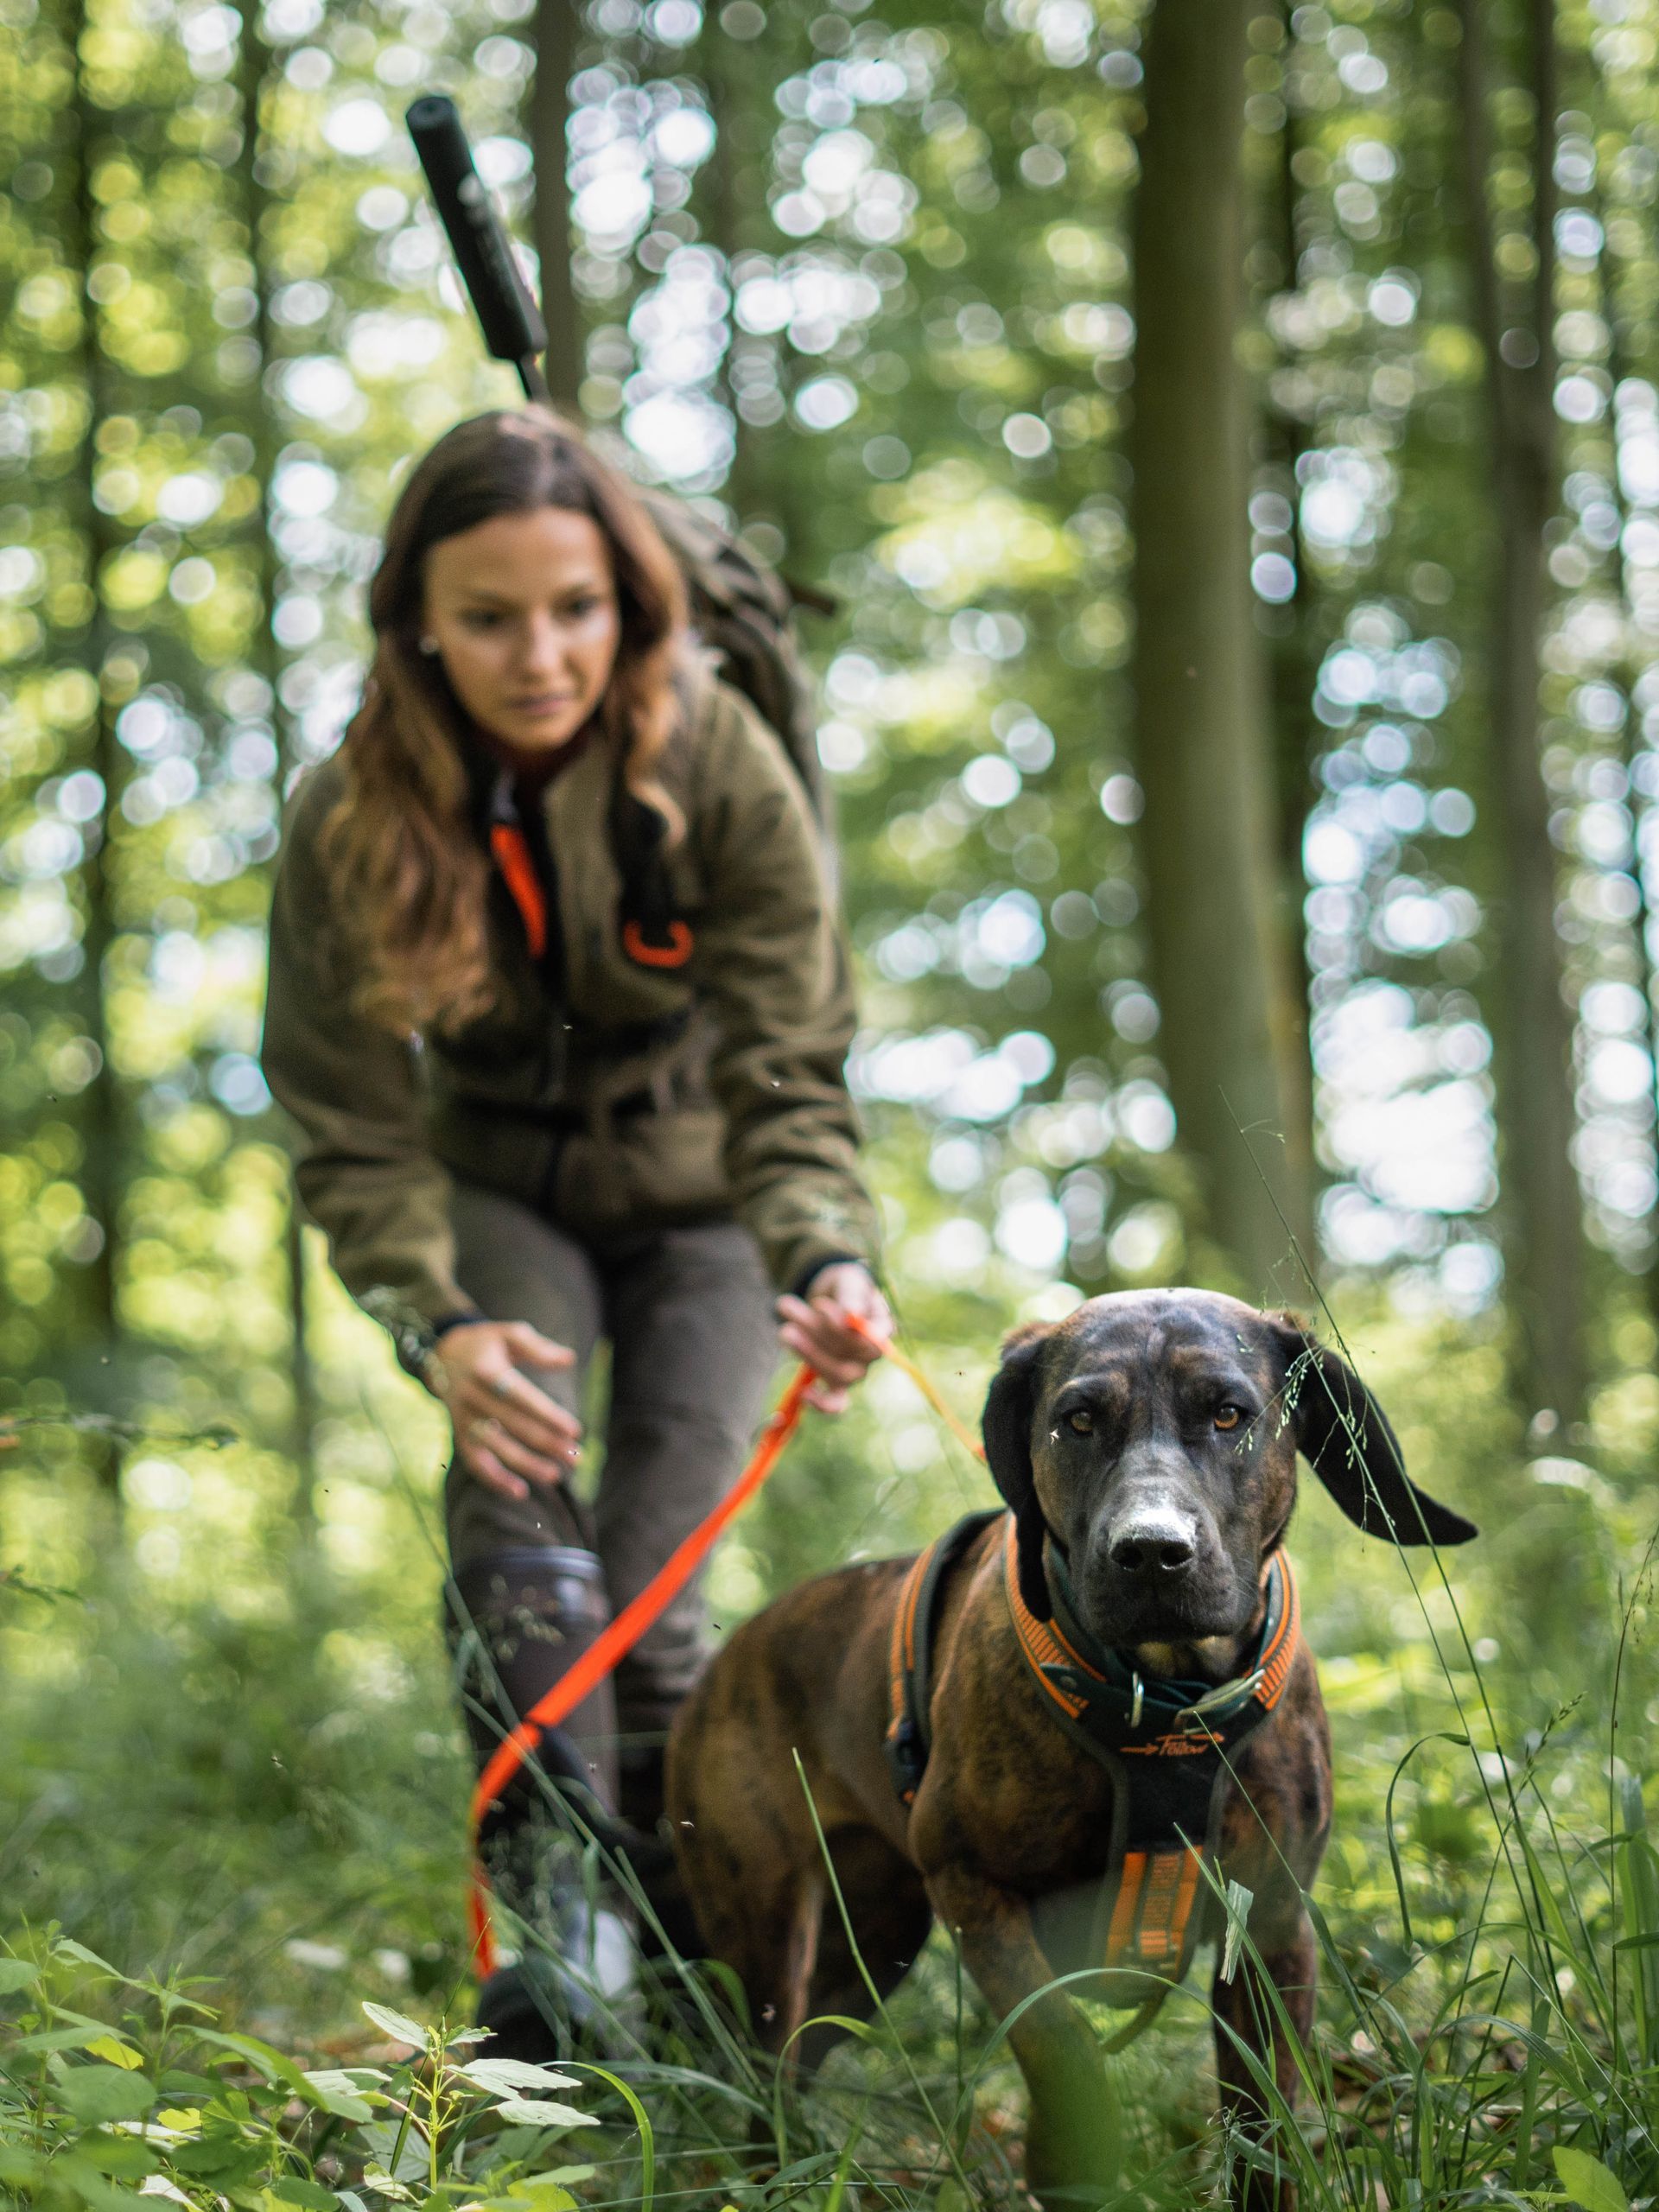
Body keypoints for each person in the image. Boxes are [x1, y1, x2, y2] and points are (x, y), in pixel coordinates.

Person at [261, 407, 892, 2044]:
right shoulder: (352, 812)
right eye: (487, 618)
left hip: (709, 1201)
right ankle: (554, 1933)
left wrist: (824, 1255)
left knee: (652, 1585)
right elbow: (348, 1122)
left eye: (576, 609)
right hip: (496, 1188)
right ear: (416, 622)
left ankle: (700, 1988)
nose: (538, 657)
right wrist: (440, 1322)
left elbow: (790, 1062)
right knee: (516, 1489)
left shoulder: (720, 760)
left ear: (630, 603)